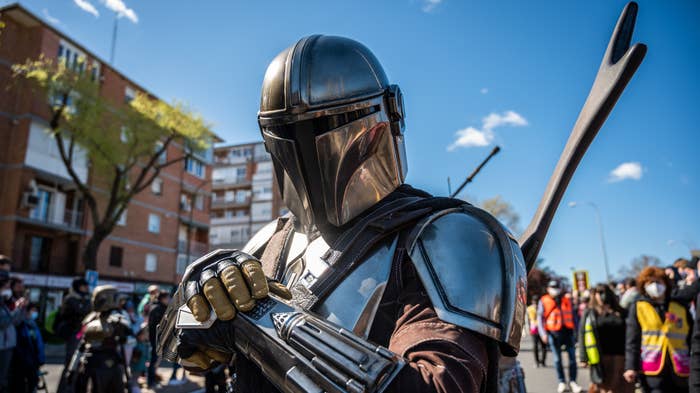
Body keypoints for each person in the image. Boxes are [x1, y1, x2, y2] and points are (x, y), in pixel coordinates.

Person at [167, 35, 527, 393]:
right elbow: (178, 348)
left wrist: (253, 324)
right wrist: (197, 290)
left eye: (331, 123)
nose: (308, 146)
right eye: (286, 131)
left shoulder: (448, 240)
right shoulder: (267, 242)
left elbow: (434, 385)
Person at [624, 266, 690, 392]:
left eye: (658, 282)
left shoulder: (680, 307)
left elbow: (691, 336)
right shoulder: (639, 307)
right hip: (653, 369)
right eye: (650, 283)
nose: (655, 286)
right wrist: (630, 367)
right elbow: (632, 340)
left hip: (681, 367)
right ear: (644, 286)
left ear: (665, 284)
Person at [70, 285, 132, 393]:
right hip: (101, 366)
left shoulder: (92, 318)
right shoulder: (113, 319)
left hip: (96, 363)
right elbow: (82, 344)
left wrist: (72, 368)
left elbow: (81, 346)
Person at [579, 284, 633, 393]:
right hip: (600, 357)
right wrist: (583, 357)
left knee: (621, 387)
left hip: (621, 357)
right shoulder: (590, 313)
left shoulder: (621, 312)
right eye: (598, 293)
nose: (601, 296)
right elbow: (582, 334)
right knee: (603, 388)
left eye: (603, 292)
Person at [538, 280, 582, 393]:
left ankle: (573, 382)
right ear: (548, 288)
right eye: (552, 287)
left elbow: (573, 316)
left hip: (568, 332)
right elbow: (540, 318)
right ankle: (561, 382)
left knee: (572, 359)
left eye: (557, 286)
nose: (555, 289)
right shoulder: (543, 300)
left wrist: (577, 332)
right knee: (557, 360)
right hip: (553, 333)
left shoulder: (566, 299)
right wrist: (543, 334)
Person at [9, 303, 45, 393]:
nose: (34, 313)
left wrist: (40, 359)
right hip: (22, 362)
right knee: (20, 385)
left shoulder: (34, 325)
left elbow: (38, 344)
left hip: (33, 362)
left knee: (32, 385)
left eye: (36, 311)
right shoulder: (20, 325)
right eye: (32, 310)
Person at [0, 265, 25, 393]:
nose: (8, 288)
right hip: (2, 346)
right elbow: (3, 323)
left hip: (7, 345)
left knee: (4, 379)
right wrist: (16, 309)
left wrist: (20, 309)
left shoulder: (5, 301)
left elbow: (15, 322)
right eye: (7, 285)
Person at [55, 278, 91, 366]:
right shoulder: (70, 299)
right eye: (84, 286)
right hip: (74, 332)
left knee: (84, 357)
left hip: (85, 331)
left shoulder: (87, 298)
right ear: (78, 287)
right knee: (72, 357)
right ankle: (68, 377)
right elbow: (67, 315)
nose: (87, 288)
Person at [147, 290, 169, 388]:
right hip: (155, 340)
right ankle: (150, 382)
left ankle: (152, 380)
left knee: (155, 362)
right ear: (163, 298)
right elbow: (155, 327)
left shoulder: (161, 308)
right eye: (168, 298)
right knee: (153, 362)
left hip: (158, 340)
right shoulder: (157, 309)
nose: (169, 300)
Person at [527, 296, 546, 367]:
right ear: (532, 301)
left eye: (537, 302)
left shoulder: (542, 308)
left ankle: (543, 361)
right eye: (534, 301)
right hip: (534, 329)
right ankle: (537, 362)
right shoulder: (529, 309)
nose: (535, 303)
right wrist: (528, 328)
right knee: (535, 346)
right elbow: (528, 320)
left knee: (543, 346)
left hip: (542, 329)